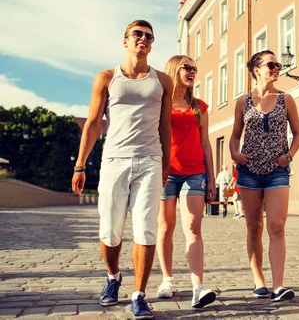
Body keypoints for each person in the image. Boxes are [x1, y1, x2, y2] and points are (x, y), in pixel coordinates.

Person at [71, 20, 173, 320]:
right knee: (110, 230)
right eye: (137, 34)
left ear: (152, 44)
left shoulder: (163, 81)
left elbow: (164, 125)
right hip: (114, 160)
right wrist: (80, 165)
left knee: (145, 227)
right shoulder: (106, 78)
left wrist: (165, 163)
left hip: (150, 160)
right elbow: (92, 123)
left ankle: (139, 295)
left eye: (148, 36)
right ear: (125, 40)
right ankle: (113, 276)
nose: (143, 39)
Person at [229, 50, 299, 302]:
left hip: (277, 171)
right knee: (253, 227)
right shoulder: (243, 101)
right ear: (256, 70)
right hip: (249, 172)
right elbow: (235, 134)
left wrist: (288, 156)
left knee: (277, 226)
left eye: (277, 64)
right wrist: (234, 154)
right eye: (271, 64)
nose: (276, 68)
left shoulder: (286, 99)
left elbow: (298, 133)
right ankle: (258, 280)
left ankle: (278, 285)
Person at [155, 55, 217, 308]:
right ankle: (167, 280)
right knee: (165, 227)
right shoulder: (160, 104)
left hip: (194, 172)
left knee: (193, 228)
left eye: (195, 69)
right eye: (187, 68)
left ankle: (197, 287)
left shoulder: (199, 107)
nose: (193, 72)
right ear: (174, 70)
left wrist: (211, 178)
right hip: (165, 172)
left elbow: (205, 143)